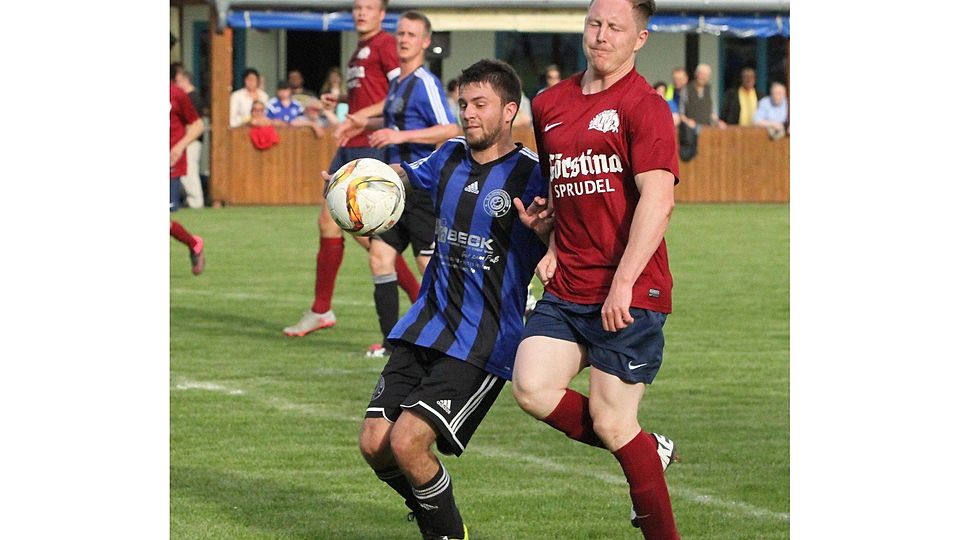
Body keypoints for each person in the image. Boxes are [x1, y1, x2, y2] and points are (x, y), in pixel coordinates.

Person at [358, 58, 548, 540]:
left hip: (482, 339)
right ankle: (434, 516)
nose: (468, 113)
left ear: (509, 111)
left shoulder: (532, 176)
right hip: (426, 324)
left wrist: (549, 247)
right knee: (375, 444)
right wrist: (358, 186)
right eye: (463, 103)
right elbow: (403, 175)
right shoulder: (447, 156)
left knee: (408, 442)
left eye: (480, 104)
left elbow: (563, 235)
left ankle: (445, 533)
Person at [513, 0, 680, 537]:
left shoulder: (645, 106)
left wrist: (624, 284)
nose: (601, 35)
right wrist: (553, 239)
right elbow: (567, 189)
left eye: (615, 27)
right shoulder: (549, 105)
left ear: (640, 38)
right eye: (594, 23)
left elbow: (658, 201)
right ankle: (646, 450)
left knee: (611, 421)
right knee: (532, 388)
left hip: (631, 289)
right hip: (570, 286)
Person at [283, 0, 422, 337]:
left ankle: (419, 301)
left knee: (372, 238)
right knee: (331, 223)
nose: (361, 12)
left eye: (369, 7)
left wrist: (359, 117)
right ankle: (321, 309)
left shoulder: (386, 45)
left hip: (367, 144)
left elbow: (397, 92)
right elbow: (370, 94)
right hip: (350, 142)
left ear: (381, 13)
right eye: (358, 7)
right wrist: (343, 99)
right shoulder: (359, 49)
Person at [336, 11, 458, 358]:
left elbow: (449, 129)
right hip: (394, 188)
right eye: (400, 33)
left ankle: (453, 337)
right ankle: (393, 344)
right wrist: (359, 120)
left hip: (420, 187)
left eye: (411, 34)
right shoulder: (399, 82)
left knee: (429, 266)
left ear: (424, 42)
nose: (403, 39)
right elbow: (390, 118)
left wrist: (400, 134)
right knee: (379, 257)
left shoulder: (425, 82)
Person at [170, 76, 206, 275]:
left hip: (169, 166)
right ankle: (194, 244)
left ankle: (194, 244)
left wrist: (179, 147)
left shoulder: (176, 94)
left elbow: (197, 125)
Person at [172, 65, 207, 209]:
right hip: (183, 140)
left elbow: (194, 124)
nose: (176, 84)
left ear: (186, 81)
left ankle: (196, 202)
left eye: (179, 81)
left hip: (190, 141)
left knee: (189, 171)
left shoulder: (192, 97)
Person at [679, 62, 724, 130]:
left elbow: (713, 113)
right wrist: (687, 121)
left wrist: (718, 122)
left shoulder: (710, 90)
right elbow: (681, 113)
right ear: (696, 74)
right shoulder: (686, 89)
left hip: (707, 128)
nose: (703, 77)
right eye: (701, 74)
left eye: (706, 75)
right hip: (690, 130)